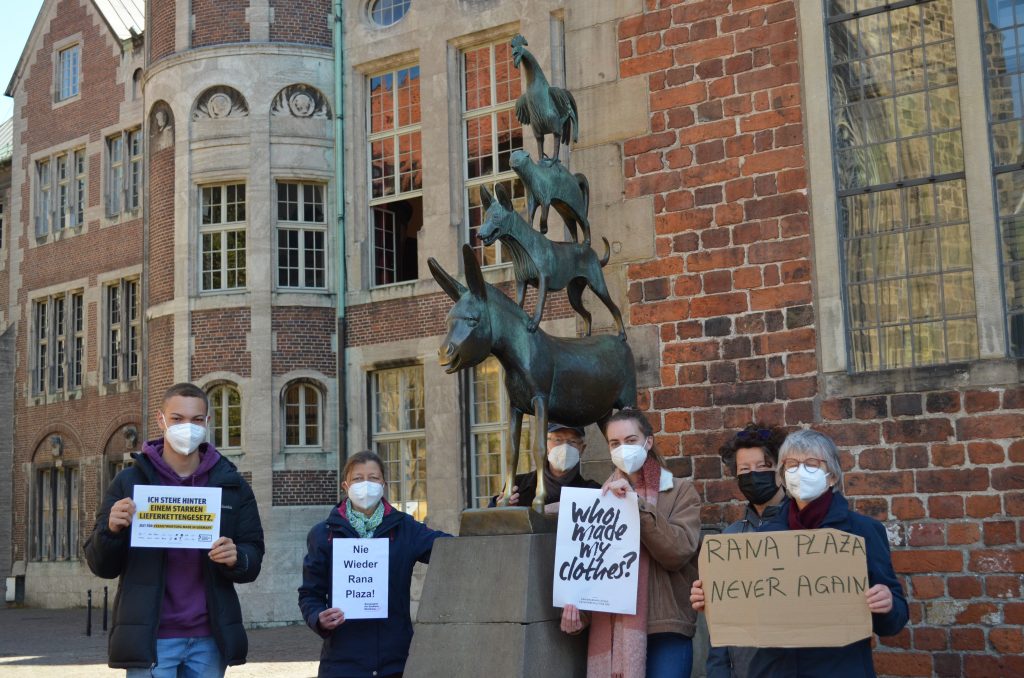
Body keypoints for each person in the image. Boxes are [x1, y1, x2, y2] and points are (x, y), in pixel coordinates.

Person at [690, 429, 909, 678]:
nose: (800, 471)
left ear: (832, 476)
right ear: (783, 476)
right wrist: (713, 601)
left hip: (839, 669)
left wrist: (887, 604)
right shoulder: (761, 540)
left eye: (811, 463)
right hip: (773, 671)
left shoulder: (862, 531)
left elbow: (894, 621)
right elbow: (744, 614)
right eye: (792, 464)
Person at [85, 382, 265, 677]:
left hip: (209, 639)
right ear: (161, 420)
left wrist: (237, 557)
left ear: (207, 423)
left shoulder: (231, 485)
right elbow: (100, 564)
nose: (187, 427)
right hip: (150, 638)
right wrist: (110, 530)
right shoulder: (129, 482)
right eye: (178, 419)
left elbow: (253, 556)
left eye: (196, 420)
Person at [560, 408, 701, 678]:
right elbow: (593, 568)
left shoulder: (680, 491)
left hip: (665, 630)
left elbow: (678, 552)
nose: (623, 448)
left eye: (631, 440)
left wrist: (637, 507)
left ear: (648, 442)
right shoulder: (599, 500)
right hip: (612, 631)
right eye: (615, 443)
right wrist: (578, 614)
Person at [298, 450, 451, 677]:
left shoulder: (405, 528)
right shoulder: (324, 534)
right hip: (342, 661)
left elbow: (449, 549)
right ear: (345, 486)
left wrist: (491, 512)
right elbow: (310, 594)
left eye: (374, 478)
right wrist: (318, 617)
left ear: (384, 485)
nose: (366, 485)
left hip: (395, 660)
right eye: (358, 479)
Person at [706, 423, 787, 678]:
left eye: (763, 467)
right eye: (745, 469)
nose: (754, 475)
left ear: (781, 469)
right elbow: (719, 624)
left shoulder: (804, 531)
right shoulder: (728, 540)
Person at [489, 422, 600, 508]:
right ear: (545, 445)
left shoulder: (591, 491)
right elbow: (493, 526)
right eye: (558, 440)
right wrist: (498, 507)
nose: (565, 447)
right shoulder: (518, 485)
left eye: (572, 442)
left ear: (582, 449)